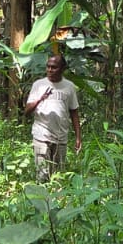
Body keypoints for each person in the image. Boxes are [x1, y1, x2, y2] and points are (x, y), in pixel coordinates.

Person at [24, 53, 81, 181]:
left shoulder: (69, 87)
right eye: (48, 66)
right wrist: (40, 99)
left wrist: (78, 137)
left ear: (62, 69)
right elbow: (27, 111)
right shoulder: (38, 85)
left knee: (58, 178)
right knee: (42, 176)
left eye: (54, 67)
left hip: (61, 137)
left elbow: (74, 113)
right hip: (41, 135)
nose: (50, 70)